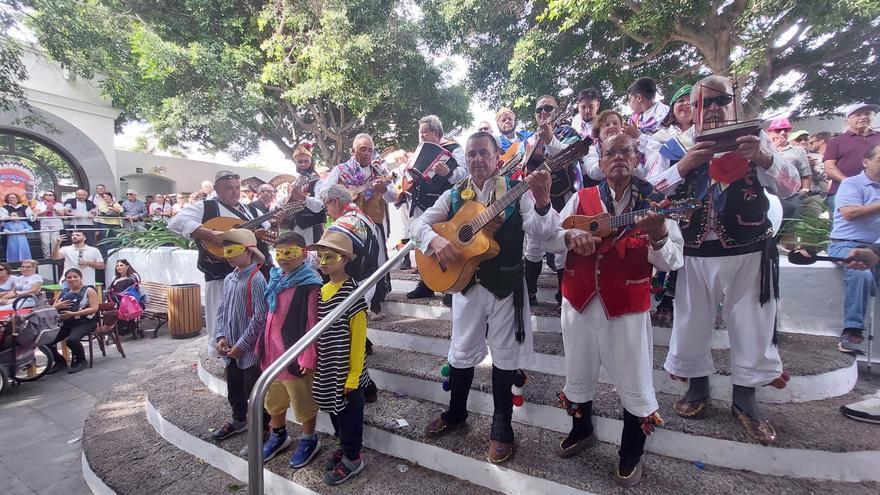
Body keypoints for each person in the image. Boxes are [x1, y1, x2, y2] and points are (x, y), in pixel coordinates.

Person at [647, 75, 800, 445]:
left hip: (749, 249)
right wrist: (683, 166)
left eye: (721, 102)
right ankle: (697, 387)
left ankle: (745, 399)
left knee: (752, 323)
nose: (713, 110)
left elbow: (791, 185)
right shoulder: (675, 145)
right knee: (691, 322)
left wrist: (763, 157)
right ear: (693, 109)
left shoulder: (755, 140)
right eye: (706, 103)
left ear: (732, 104)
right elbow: (652, 193)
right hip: (695, 251)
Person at [544, 133, 684, 486]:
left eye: (626, 151)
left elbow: (672, 261)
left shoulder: (655, 202)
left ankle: (631, 450)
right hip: (578, 301)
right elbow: (548, 237)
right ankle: (582, 429)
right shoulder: (583, 196)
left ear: (637, 158)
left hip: (626, 305)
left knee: (634, 380)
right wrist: (568, 238)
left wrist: (658, 235)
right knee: (578, 370)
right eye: (610, 153)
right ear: (601, 162)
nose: (618, 157)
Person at [410, 131, 553, 464]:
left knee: (504, 357)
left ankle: (502, 423)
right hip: (466, 285)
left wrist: (544, 202)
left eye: (483, 153)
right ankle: (456, 412)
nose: (476, 159)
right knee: (460, 353)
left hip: (505, 287)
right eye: (471, 153)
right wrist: (434, 241)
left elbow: (542, 232)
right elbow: (419, 224)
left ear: (497, 158)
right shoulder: (454, 196)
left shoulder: (518, 193)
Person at [168, 170, 274, 357]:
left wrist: (274, 225)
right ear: (216, 189)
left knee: (251, 314)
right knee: (221, 311)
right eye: (228, 188)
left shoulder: (251, 210)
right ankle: (218, 350)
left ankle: (249, 347)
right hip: (219, 271)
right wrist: (210, 234)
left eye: (236, 187)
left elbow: (266, 233)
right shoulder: (204, 207)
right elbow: (176, 222)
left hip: (250, 274)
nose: (234, 192)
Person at [308, 230, 369, 485]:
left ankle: (353, 456)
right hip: (328, 365)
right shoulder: (323, 290)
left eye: (330, 257)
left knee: (349, 414)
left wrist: (353, 376)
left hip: (346, 370)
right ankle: (344, 446)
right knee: (334, 410)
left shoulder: (352, 293)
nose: (323, 262)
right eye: (320, 257)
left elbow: (358, 339)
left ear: (345, 259)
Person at [258, 232, 323, 467]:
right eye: (279, 253)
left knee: (302, 399)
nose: (283, 258)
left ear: (303, 254)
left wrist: (308, 355)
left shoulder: (310, 284)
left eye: (289, 253)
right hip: (272, 352)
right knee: (273, 398)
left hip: (295, 354)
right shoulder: (275, 278)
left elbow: (312, 322)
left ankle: (309, 438)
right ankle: (279, 434)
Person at [317, 134, 395, 314]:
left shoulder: (380, 172)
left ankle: (374, 305)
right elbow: (323, 192)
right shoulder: (340, 170)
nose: (367, 153)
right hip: (347, 225)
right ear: (353, 151)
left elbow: (393, 197)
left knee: (377, 262)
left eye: (370, 149)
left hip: (373, 223)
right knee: (347, 262)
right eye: (363, 149)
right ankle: (344, 303)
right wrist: (343, 193)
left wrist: (384, 190)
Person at [520, 95, 581, 306]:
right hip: (536, 196)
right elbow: (521, 169)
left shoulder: (569, 133)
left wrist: (551, 140)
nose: (543, 113)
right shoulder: (528, 140)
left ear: (558, 112)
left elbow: (573, 155)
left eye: (548, 109)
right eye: (539, 110)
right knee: (534, 244)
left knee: (563, 243)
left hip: (563, 195)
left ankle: (563, 294)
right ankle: (530, 292)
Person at [211, 229, 269, 442]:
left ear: (248, 252)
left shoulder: (256, 279)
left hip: (250, 351)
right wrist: (221, 336)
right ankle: (239, 419)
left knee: (253, 390)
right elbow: (222, 310)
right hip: (230, 347)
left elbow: (260, 317)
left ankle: (263, 429)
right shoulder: (229, 278)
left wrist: (242, 345)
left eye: (233, 250)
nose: (228, 255)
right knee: (234, 387)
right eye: (226, 250)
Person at [404, 115, 469, 299]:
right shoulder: (418, 150)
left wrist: (448, 172)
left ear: (437, 133)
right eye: (420, 132)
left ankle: (451, 284)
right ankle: (426, 282)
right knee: (422, 242)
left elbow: (464, 174)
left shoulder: (454, 149)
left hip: (444, 205)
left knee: (448, 242)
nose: (422, 136)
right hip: (420, 203)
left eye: (425, 132)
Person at [828, 144, 880, 354]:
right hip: (845, 243)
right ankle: (852, 330)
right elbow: (849, 213)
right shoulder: (851, 183)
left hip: (877, 247)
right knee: (861, 273)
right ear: (866, 162)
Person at [320, 185, 386, 323]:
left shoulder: (345, 223)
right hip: (367, 283)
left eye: (326, 207)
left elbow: (325, 254)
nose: (327, 212)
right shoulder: (364, 217)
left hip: (350, 289)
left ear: (335, 202)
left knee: (343, 333)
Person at [823, 103, 880, 215]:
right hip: (842, 191)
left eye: (867, 114)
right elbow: (829, 167)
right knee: (845, 227)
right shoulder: (836, 141)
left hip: (877, 190)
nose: (863, 117)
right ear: (848, 120)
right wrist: (850, 183)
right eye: (858, 115)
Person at [46, 268, 100, 374]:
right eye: (69, 277)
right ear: (65, 279)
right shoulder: (64, 291)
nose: (72, 279)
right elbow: (53, 307)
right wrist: (57, 306)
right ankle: (60, 362)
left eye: (75, 276)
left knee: (71, 340)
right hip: (67, 322)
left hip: (86, 321)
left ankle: (81, 360)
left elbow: (94, 308)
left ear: (81, 278)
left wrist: (74, 314)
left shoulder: (89, 290)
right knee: (46, 342)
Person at [274, 142, 326, 247]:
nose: (303, 164)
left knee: (310, 255)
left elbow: (322, 205)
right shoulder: (296, 181)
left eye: (306, 161)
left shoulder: (317, 180)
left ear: (311, 162)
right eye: (300, 161)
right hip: (295, 225)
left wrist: (304, 198)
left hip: (311, 226)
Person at [767, 117, 812, 224]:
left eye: (786, 130)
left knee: (790, 229)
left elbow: (806, 173)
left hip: (793, 196)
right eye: (778, 130)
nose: (782, 133)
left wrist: (804, 191)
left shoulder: (798, 150)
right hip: (770, 196)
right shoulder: (765, 148)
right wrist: (773, 147)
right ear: (770, 132)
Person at [107, 259, 143, 338]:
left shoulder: (132, 278)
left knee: (121, 307)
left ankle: (126, 328)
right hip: (117, 302)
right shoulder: (115, 278)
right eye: (117, 266)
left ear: (127, 267)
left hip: (131, 303)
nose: (119, 267)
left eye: (121, 265)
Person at [34, 191, 64, 259]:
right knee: (45, 242)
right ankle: (47, 258)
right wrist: (47, 210)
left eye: (50, 195)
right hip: (44, 224)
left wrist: (53, 209)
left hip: (56, 224)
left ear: (54, 197)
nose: (48, 196)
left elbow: (62, 214)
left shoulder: (58, 204)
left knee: (55, 242)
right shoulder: (40, 204)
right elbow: (37, 215)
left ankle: (55, 258)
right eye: (46, 195)